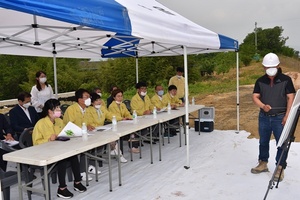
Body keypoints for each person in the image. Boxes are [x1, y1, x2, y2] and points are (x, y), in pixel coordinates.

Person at [251, 53, 295, 182]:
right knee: (263, 141)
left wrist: (287, 115)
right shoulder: (260, 81)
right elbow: (255, 96)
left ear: (278, 65)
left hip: (280, 117)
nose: (270, 68)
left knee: (281, 143)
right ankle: (263, 163)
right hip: (264, 117)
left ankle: (280, 168)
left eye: (273, 66)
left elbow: (291, 97)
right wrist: (263, 106)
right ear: (263, 67)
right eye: (267, 66)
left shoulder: (286, 80)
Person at [32, 99, 87, 198]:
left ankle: (77, 182)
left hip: (59, 148)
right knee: (62, 159)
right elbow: (36, 143)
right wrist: (48, 139)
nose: (59, 110)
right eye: (56, 108)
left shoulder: (59, 121)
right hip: (46, 152)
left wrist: (72, 133)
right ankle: (62, 188)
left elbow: (66, 132)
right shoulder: (40, 124)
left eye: (59, 107)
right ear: (49, 111)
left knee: (73, 156)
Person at [63, 88, 100, 181]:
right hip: (71, 135)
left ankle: (90, 166)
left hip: (82, 133)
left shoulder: (86, 109)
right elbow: (70, 126)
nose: (89, 99)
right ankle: (81, 172)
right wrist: (82, 128)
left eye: (89, 97)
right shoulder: (71, 109)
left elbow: (85, 122)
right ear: (79, 99)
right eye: (86, 97)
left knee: (96, 141)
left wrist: (88, 126)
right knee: (86, 146)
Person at [87, 92, 128, 162]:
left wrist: (121, 118)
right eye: (97, 100)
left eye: (100, 100)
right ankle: (118, 154)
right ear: (92, 102)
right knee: (111, 137)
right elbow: (90, 123)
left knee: (113, 136)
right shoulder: (88, 110)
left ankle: (116, 152)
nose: (99, 102)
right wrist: (98, 128)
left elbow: (110, 115)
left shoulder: (102, 108)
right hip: (93, 131)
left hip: (101, 130)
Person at [108, 89, 138, 154]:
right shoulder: (112, 106)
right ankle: (118, 151)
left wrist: (130, 118)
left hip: (124, 123)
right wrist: (122, 118)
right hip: (116, 124)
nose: (120, 98)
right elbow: (114, 116)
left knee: (133, 129)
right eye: (118, 96)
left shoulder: (122, 105)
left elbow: (127, 113)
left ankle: (133, 147)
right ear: (114, 97)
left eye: (121, 96)